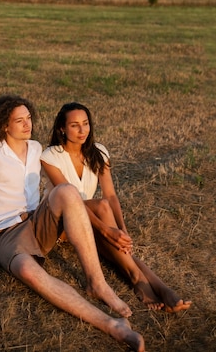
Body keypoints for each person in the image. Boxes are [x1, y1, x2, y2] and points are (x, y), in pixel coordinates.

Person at [0, 95, 145, 352]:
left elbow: (65, 167)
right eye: (19, 120)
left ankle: (97, 283)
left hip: (38, 223)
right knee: (27, 271)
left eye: (29, 119)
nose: (28, 124)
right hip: (6, 234)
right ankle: (114, 326)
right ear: (4, 125)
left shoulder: (36, 149)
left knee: (67, 191)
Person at [41, 101, 192, 313]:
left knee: (113, 238)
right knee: (103, 214)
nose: (82, 130)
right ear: (62, 129)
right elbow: (71, 201)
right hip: (60, 223)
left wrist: (121, 230)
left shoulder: (99, 152)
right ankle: (138, 278)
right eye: (74, 125)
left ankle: (161, 287)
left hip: (90, 218)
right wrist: (106, 229)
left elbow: (110, 195)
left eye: (85, 123)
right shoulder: (49, 156)